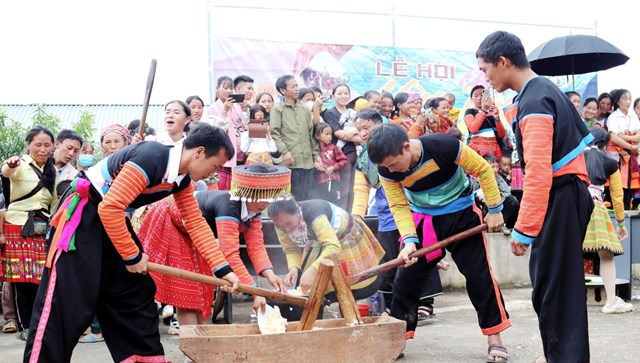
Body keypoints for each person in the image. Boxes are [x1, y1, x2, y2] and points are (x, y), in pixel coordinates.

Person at [24, 124, 241, 363]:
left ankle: (142, 358)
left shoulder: (180, 179)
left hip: (112, 222)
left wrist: (223, 269)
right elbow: (110, 208)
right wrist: (132, 256)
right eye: (216, 165)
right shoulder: (153, 156)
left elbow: (195, 223)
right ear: (199, 152)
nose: (215, 173)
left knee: (134, 292)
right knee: (69, 302)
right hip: (82, 218)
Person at [477, 30, 594, 363]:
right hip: (565, 195)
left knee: (555, 293)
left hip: (561, 196)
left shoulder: (534, 98)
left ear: (503, 61)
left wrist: (525, 227)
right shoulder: (537, 93)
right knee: (555, 290)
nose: (486, 78)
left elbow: (539, 170)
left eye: (486, 69)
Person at [367, 123, 510, 362]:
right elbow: (399, 205)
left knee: (479, 276)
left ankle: (494, 337)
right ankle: (398, 339)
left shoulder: (445, 146)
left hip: (463, 215)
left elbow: (484, 170)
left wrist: (495, 209)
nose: (393, 170)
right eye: (387, 167)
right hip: (425, 220)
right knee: (406, 279)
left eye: (394, 163)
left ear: (406, 146)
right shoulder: (386, 170)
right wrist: (411, 241)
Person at [140, 164, 290, 328]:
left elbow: (255, 245)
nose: (264, 203)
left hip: (196, 236)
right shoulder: (229, 204)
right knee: (188, 291)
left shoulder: (255, 211)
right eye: (259, 195)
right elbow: (229, 253)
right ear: (246, 192)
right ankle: (192, 344)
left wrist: (270, 275)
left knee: (201, 290)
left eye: (268, 197)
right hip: (172, 223)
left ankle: (199, 342)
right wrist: (255, 292)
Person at [352, 109, 447, 323]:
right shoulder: (363, 158)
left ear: (380, 124)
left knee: (421, 256)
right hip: (386, 215)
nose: (363, 133)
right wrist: (356, 216)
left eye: (366, 128)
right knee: (393, 262)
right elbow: (361, 190)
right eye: (358, 130)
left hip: (411, 211)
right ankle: (395, 307)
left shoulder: (400, 146)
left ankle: (425, 303)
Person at [1, 126, 57, 341]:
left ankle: (38, 323)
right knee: (21, 278)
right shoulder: (20, 165)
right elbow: (6, 171)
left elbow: (53, 203)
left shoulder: (53, 171)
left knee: (40, 277)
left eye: (47, 145)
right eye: (38, 144)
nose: (43, 149)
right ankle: (26, 326)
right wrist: (9, 164)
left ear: (53, 147)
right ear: (28, 145)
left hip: (41, 227)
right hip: (17, 225)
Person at [267, 196, 385, 299]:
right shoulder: (281, 223)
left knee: (347, 289)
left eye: (289, 224)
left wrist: (312, 270)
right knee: (308, 288)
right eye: (280, 226)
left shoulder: (316, 215)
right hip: (321, 242)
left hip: (342, 240)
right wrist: (294, 268)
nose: (286, 230)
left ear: (298, 213)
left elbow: (333, 247)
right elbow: (291, 249)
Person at [582, 127, 634, 314]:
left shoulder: (575, 157)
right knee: (606, 256)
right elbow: (617, 197)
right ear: (605, 145)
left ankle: (567, 302)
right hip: (596, 207)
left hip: (573, 207)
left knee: (569, 254)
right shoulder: (610, 163)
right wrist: (621, 224)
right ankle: (611, 301)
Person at [270, 74, 320, 202]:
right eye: (293, 87)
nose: (297, 89)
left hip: (308, 162)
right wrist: (285, 152)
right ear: (283, 90)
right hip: (290, 162)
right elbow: (275, 133)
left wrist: (316, 155)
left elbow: (311, 132)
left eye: (297, 86)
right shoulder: (277, 109)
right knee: (291, 200)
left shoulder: (304, 108)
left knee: (307, 199)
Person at [322, 83, 361, 212]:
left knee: (353, 188)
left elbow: (362, 134)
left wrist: (352, 134)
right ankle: (341, 217)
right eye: (339, 93)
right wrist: (352, 133)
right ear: (333, 96)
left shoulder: (354, 113)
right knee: (341, 189)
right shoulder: (330, 113)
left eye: (346, 93)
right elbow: (339, 134)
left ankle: (351, 216)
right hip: (339, 156)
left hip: (354, 153)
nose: (343, 96)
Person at [605, 88, 640, 209]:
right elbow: (613, 137)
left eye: (630, 98)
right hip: (617, 157)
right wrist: (631, 145)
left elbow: (638, 134)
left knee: (630, 185)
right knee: (616, 184)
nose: (628, 101)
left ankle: (627, 207)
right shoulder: (614, 117)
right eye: (625, 99)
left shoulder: (633, 116)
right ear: (618, 101)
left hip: (631, 157)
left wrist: (626, 137)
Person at [473, 154, 520, 234]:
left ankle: (503, 225)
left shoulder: (498, 178)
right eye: (492, 167)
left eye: (497, 167)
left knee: (513, 201)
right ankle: (486, 227)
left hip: (497, 206)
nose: (495, 170)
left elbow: (506, 192)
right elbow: (474, 194)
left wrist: (497, 200)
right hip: (485, 209)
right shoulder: (477, 180)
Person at [465, 85, 507, 159]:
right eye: (476, 95)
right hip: (477, 152)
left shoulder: (492, 112)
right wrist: (484, 110)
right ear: (471, 99)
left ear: (487, 97)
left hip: (494, 152)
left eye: (482, 95)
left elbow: (501, 135)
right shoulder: (469, 112)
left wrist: (497, 118)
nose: (479, 98)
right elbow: (473, 129)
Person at [313, 122, 347, 205]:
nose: (329, 137)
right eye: (326, 134)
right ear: (317, 136)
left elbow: (343, 160)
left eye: (330, 134)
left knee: (334, 201)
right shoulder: (315, 149)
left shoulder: (334, 148)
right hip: (320, 181)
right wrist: (315, 165)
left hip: (333, 180)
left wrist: (333, 168)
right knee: (322, 203)